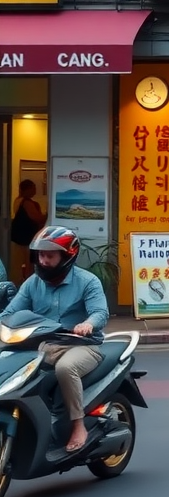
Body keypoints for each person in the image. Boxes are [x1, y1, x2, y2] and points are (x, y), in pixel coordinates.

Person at [0, 226, 108, 452]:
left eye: (50, 256)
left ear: (67, 256)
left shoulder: (88, 281)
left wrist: (88, 324)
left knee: (65, 368)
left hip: (81, 345)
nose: (43, 261)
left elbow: (100, 313)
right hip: (43, 345)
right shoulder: (33, 283)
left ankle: (78, 426)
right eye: (41, 255)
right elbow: (10, 313)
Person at [11, 179, 47, 275]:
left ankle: (17, 283)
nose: (35, 190)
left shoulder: (17, 200)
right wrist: (49, 214)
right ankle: (26, 283)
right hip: (25, 239)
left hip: (17, 238)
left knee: (17, 265)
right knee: (29, 264)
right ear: (27, 189)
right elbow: (37, 218)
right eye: (33, 188)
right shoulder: (26, 202)